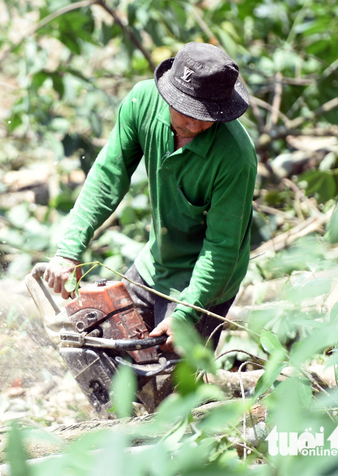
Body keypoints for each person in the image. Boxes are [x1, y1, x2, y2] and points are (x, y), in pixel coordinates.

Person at [44, 42, 256, 354]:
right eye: (187, 113)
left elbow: (221, 249)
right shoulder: (142, 103)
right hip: (155, 263)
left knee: (170, 389)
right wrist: (69, 250)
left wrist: (186, 313)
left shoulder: (235, 157)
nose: (195, 125)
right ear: (169, 94)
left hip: (207, 282)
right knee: (101, 350)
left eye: (207, 116)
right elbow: (108, 175)